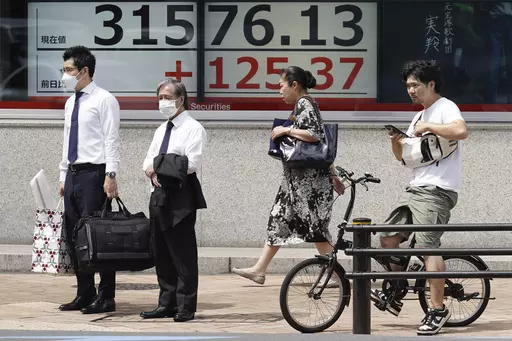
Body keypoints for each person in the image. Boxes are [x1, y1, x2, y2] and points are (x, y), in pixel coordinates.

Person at [371, 60, 468, 336]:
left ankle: (437, 310)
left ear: (431, 84)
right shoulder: (418, 116)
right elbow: (405, 158)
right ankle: (398, 287)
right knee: (388, 239)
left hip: (438, 191)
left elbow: (461, 131)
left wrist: (431, 127)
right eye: (408, 86)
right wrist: (396, 140)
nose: (411, 90)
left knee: (428, 247)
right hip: (416, 189)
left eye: (415, 85)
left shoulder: (445, 107)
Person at [232, 66, 345, 285]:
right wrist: (333, 175)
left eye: (281, 86)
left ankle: (334, 273)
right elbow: (322, 150)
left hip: (309, 185)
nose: (279, 91)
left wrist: (286, 130)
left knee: (315, 229)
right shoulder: (301, 106)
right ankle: (259, 269)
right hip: (296, 183)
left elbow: (315, 136)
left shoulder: (305, 103)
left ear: (295, 85)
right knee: (278, 220)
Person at [57, 45, 120, 314]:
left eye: (69, 70)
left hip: (95, 174)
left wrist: (111, 174)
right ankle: (85, 292)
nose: (65, 75)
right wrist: (62, 175)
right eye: (64, 69)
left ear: (84, 71)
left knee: (100, 237)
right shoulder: (71, 101)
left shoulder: (105, 99)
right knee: (75, 236)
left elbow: (112, 139)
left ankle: (106, 296)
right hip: (73, 174)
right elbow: (66, 141)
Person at [140, 79, 207, 322]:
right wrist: (156, 168)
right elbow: (147, 160)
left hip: (180, 195)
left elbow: (190, 163)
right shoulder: (161, 130)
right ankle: (166, 302)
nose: (163, 102)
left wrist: (159, 165)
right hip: (158, 194)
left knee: (183, 253)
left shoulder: (193, 128)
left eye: (167, 97)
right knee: (162, 251)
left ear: (181, 99)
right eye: (159, 97)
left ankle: (185, 306)